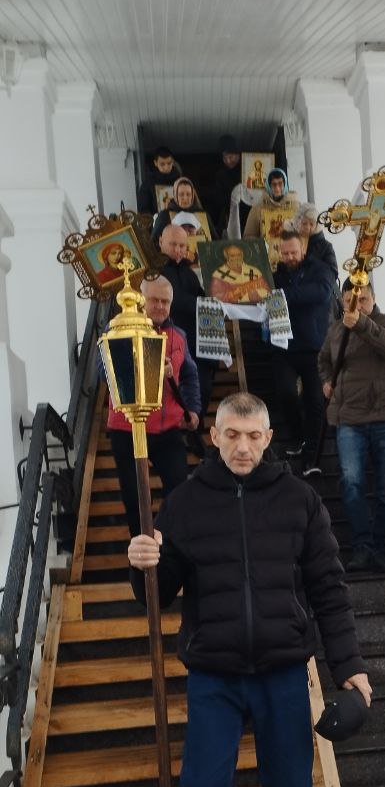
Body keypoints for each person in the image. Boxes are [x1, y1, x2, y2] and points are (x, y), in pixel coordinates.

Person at [126, 391, 372, 787]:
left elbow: (329, 589)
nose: (243, 446)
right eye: (232, 435)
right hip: (215, 673)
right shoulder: (185, 503)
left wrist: (350, 667)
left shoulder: (299, 500)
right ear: (214, 436)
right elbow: (158, 592)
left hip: (283, 671)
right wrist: (144, 565)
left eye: (253, 436)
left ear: (267, 438)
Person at [318, 278, 385, 573]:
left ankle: (382, 549)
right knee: (351, 484)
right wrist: (326, 380)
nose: (355, 306)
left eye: (362, 300)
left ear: (373, 298)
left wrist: (361, 324)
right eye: (349, 302)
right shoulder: (335, 330)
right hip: (349, 420)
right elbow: (323, 360)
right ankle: (361, 547)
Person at [105, 275, 201, 537]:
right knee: (133, 495)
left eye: (165, 301)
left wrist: (193, 408)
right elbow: (106, 372)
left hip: (167, 428)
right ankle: (141, 546)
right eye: (154, 300)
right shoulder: (117, 330)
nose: (160, 306)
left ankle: (167, 540)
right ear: (141, 299)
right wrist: (151, 367)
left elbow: (190, 375)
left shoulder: (179, 336)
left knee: (179, 490)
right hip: (127, 427)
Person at [272, 230, 334, 470]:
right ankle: (298, 438)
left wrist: (282, 295)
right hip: (284, 347)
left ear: (303, 250)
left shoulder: (320, 270)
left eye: (293, 252)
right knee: (285, 393)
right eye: (285, 253)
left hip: (314, 348)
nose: (289, 257)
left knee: (315, 401)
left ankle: (312, 455)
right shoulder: (275, 276)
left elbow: (321, 292)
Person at [158, 223, 217, 434]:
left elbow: (201, 297)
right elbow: (174, 300)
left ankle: (195, 434)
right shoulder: (155, 273)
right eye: (173, 244)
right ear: (161, 242)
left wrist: (219, 296)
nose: (178, 250)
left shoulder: (189, 273)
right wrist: (203, 303)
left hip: (197, 342)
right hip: (169, 343)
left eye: (182, 245)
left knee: (204, 388)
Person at [238, 167, 298, 241]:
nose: (277, 188)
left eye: (280, 184)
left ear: (285, 184)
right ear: (268, 186)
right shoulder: (258, 208)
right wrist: (261, 244)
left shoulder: (296, 207)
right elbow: (249, 236)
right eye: (274, 184)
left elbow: (304, 233)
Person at [152, 178, 215, 242]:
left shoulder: (203, 214)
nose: (185, 198)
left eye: (188, 194)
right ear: (175, 195)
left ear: (193, 195)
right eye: (181, 194)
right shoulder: (164, 215)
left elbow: (215, 240)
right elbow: (154, 242)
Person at [208, 134, 242, 234]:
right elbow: (218, 200)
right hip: (230, 214)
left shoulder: (247, 170)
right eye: (224, 158)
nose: (228, 161)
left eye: (230, 157)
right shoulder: (220, 175)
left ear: (238, 155)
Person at [295, 203, 338, 280]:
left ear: (317, 225)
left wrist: (310, 260)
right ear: (298, 223)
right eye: (304, 223)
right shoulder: (291, 242)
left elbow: (332, 273)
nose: (307, 227)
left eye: (311, 224)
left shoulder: (326, 246)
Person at [137, 146, 182, 215]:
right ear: (155, 163)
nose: (166, 167)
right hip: (156, 219)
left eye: (169, 163)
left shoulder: (180, 181)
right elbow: (143, 209)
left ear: (172, 162)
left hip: (178, 219)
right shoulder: (148, 183)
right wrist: (155, 218)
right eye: (162, 164)